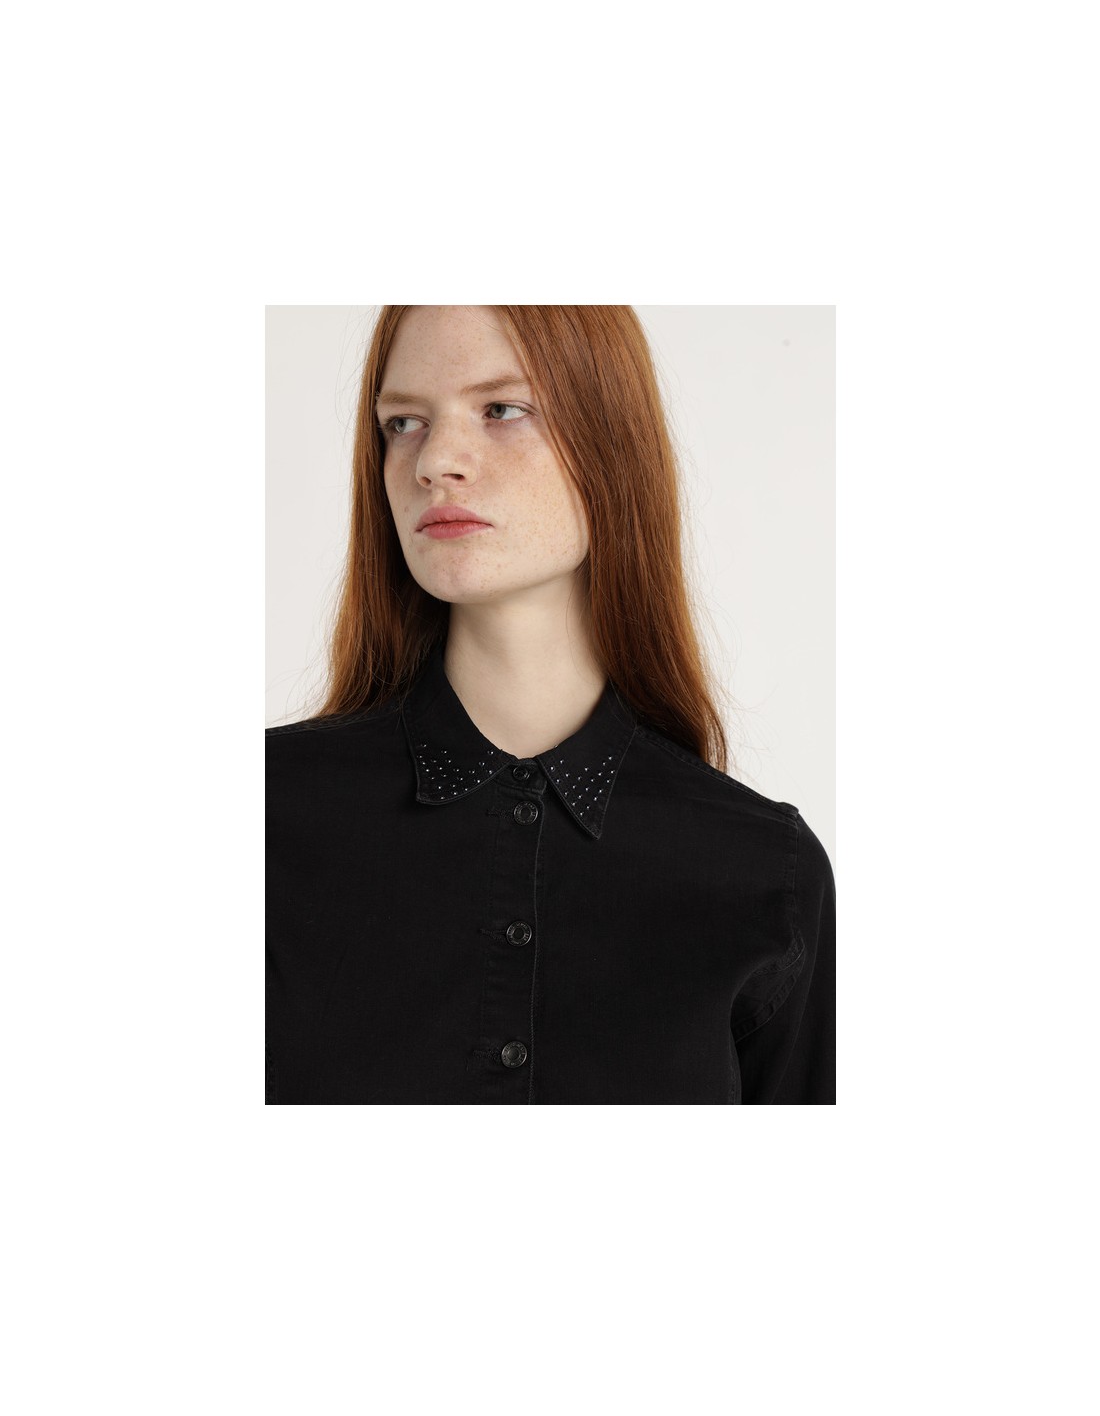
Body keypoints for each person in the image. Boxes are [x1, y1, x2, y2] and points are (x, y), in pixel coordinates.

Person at [266, 305, 835, 1105]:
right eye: (403, 422)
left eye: (502, 409)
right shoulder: (266, 820)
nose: (435, 462)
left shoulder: (766, 875)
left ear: (611, 440)